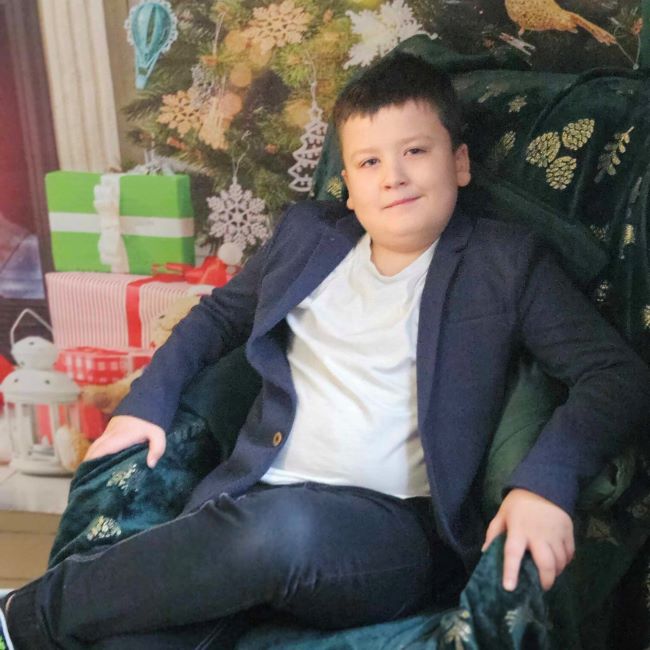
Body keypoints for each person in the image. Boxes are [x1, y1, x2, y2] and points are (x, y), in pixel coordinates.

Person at [1, 52, 649, 649]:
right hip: (243, 507)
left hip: (384, 537)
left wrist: (544, 483)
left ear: (459, 163)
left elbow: (614, 374)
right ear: (348, 184)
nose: (393, 177)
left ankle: (20, 619)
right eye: (369, 163)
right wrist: (145, 403)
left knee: (280, 528)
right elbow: (219, 317)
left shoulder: (503, 262)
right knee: (129, 638)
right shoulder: (308, 237)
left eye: (415, 151)